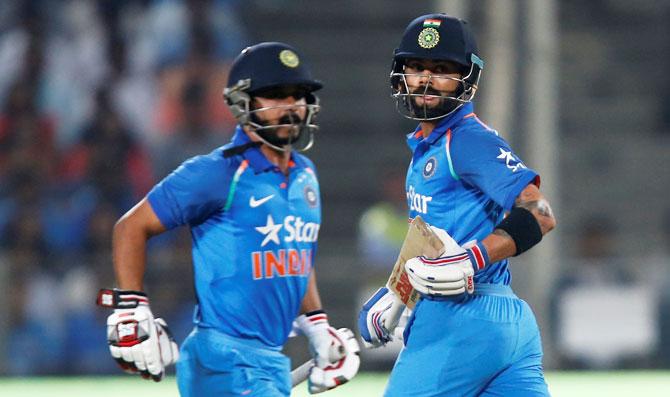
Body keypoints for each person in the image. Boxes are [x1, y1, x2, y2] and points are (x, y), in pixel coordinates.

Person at [96, 42, 359, 396]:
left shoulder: (305, 174)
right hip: (224, 361)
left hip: (265, 361)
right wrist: (131, 308)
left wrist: (316, 324)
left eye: (297, 96)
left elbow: (297, 255)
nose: (291, 107)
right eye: (275, 96)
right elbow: (130, 226)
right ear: (243, 102)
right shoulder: (217, 172)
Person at [358, 14, 556, 396]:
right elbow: (431, 240)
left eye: (443, 69)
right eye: (417, 67)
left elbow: (541, 213)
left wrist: (472, 259)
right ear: (402, 73)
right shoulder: (427, 145)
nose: (427, 80)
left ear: (468, 78)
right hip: (505, 323)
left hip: (461, 319)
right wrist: (397, 292)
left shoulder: (465, 140)